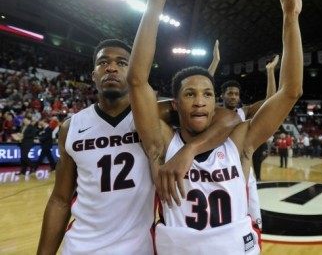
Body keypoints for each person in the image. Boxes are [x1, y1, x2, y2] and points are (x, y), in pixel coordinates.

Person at [128, 0, 307, 252]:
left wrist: (290, 17)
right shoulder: (160, 144)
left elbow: (290, 91)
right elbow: (136, 81)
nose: (200, 101)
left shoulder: (239, 139)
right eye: (190, 94)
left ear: (216, 101)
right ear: (175, 103)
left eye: (208, 94)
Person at [37, 31, 239, 253]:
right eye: (103, 62)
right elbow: (60, 200)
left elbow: (226, 117)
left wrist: (190, 149)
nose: (111, 68)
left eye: (122, 63)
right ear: (93, 74)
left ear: (133, 72)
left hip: (139, 247)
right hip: (80, 246)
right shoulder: (71, 127)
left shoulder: (156, 116)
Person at [208, 41, 279, 229]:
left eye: (236, 94)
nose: (233, 96)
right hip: (217, 168)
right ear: (221, 95)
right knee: (221, 217)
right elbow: (203, 84)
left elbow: (270, 102)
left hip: (242, 168)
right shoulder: (213, 111)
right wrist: (215, 61)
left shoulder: (244, 111)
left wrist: (270, 72)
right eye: (229, 93)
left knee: (250, 217)